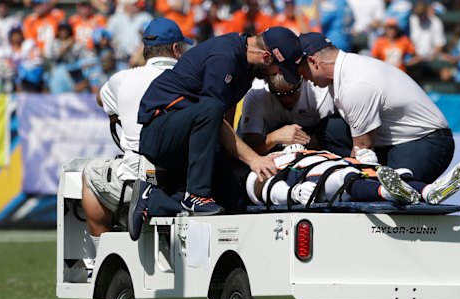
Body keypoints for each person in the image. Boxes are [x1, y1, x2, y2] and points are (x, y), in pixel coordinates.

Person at [136, 26, 304, 216]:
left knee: (233, 200)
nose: (276, 74)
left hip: (191, 134)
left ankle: (154, 200)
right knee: (212, 108)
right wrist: (254, 159)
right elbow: (214, 115)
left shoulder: (246, 63)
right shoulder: (224, 58)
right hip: (160, 132)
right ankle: (196, 195)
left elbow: (227, 113)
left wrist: (232, 158)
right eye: (278, 68)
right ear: (266, 57)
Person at [81, 18, 192, 259]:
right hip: (188, 179)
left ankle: (100, 257)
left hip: (137, 176)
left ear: (145, 50)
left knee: (89, 174)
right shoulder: (193, 79)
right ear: (176, 49)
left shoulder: (123, 79)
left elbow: (101, 100)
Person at [296, 32, 454, 183]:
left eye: (303, 72)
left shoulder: (355, 83)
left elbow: (363, 149)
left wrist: (344, 178)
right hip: (401, 139)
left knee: (389, 191)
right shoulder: (346, 68)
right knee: (329, 129)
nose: (305, 79)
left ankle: (426, 191)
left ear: (313, 62)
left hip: (427, 144)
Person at [246, 145, 460, 207]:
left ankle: (430, 191)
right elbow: (258, 189)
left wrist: (367, 159)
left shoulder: (316, 151)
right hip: (313, 183)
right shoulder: (270, 161)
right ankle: (389, 193)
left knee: (380, 171)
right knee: (343, 179)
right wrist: (291, 194)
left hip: (341, 166)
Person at [239, 73, 335, 155]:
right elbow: (249, 150)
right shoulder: (255, 95)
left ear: (301, 81)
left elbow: (330, 138)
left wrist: (309, 140)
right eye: (279, 94)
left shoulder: (320, 90)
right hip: (270, 144)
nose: (286, 99)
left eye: (292, 92)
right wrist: (274, 137)